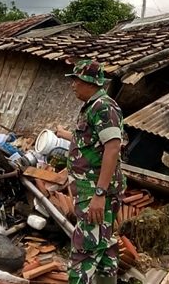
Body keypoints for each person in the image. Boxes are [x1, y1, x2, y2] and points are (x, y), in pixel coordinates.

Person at [55, 59, 126, 284]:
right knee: (104, 247)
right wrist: (64, 135)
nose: (73, 85)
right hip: (90, 191)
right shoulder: (92, 107)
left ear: (88, 81)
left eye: (76, 80)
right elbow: (90, 142)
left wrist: (99, 194)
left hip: (95, 193)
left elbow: (113, 147)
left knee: (84, 250)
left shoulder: (104, 107)